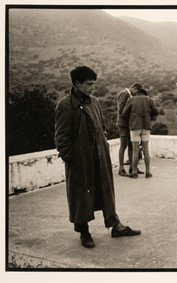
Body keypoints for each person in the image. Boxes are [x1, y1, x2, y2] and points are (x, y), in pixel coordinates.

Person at [55, 66, 141, 248]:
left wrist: (104, 146)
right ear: (77, 83)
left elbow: (101, 126)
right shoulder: (65, 105)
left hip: (100, 156)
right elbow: (61, 138)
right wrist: (72, 158)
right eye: (89, 84)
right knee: (81, 196)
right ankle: (83, 231)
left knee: (106, 191)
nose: (92, 87)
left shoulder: (94, 102)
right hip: (80, 161)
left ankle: (115, 225)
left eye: (94, 84)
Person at [122, 85, 159, 179]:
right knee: (146, 150)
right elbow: (156, 111)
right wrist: (150, 119)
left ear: (137, 92)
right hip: (146, 126)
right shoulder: (149, 99)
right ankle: (148, 172)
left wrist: (131, 118)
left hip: (135, 126)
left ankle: (134, 172)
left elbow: (124, 113)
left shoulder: (131, 99)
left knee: (135, 150)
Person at [116, 83, 144, 176]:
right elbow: (121, 109)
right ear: (134, 89)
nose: (136, 95)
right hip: (123, 124)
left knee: (131, 145)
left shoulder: (130, 95)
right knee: (123, 145)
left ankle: (133, 167)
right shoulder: (124, 93)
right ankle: (121, 168)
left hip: (129, 125)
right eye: (136, 93)